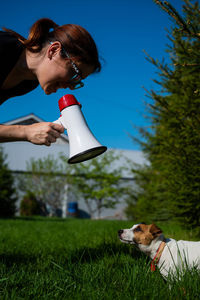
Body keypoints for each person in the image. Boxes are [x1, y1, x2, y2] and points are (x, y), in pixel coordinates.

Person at [0, 18, 101, 146]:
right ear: (54, 51)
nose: (70, 86)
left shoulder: (27, 84)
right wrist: (25, 131)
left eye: (78, 81)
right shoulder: (3, 45)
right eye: (75, 74)